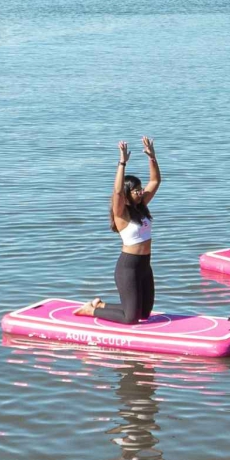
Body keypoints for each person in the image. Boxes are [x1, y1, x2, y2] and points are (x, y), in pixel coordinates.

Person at [76, 138, 161, 324]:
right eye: (136, 190)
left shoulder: (141, 207)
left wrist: (152, 157)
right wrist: (122, 162)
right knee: (131, 318)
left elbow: (155, 180)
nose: (140, 192)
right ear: (127, 193)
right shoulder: (121, 214)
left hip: (145, 265)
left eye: (140, 189)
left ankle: (101, 305)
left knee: (144, 314)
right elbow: (117, 193)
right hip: (128, 268)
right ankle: (91, 311)